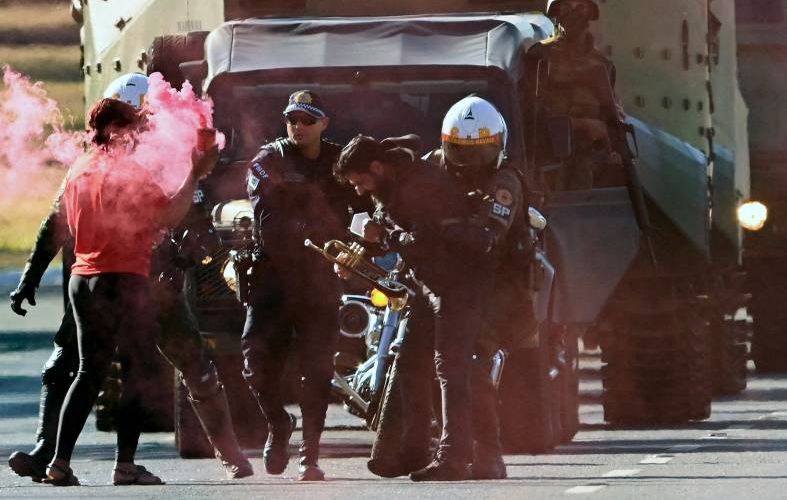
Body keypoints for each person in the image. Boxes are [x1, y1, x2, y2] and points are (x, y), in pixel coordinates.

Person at [7, 75, 252, 484]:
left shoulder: (165, 150)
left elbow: (196, 215)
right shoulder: (104, 165)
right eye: (138, 120)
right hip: (118, 275)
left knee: (194, 364)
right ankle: (47, 450)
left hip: (151, 278)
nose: (145, 128)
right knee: (67, 365)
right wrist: (31, 276)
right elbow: (56, 226)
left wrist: (191, 246)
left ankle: (227, 452)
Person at [38, 96, 218, 486]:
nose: (138, 135)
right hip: (123, 278)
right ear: (118, 131)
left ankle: (59, 462)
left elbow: (65, 227)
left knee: (89, 372)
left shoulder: (77, 170)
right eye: (134, 128)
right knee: (138, 373)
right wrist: (195, 173)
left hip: (82, 281)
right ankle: (125, 465)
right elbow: (169, 215)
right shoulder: (129, 172)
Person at [334, 134, 494, 481]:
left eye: (361, 181)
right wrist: (361, 252)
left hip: (459, 282)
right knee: (410, 364)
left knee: (450, 368)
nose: (359, 190)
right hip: (431, 284)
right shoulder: (392, 186)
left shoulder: (420, 185)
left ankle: (455, 457)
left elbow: (426, 239)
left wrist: (384, 239)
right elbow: (400, 236)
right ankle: (415, 450)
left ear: (377, 167)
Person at [242, 90, 357, 482]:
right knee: (255, 363)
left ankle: (311, 455)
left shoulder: (340, 160)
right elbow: (269, 223)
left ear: (324, 124)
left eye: (308, 120)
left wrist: (362, 235)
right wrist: (314, 230)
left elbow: (366, 199)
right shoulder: (268, 160)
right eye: (292, 119)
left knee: (317, 369)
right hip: (274, 277)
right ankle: (278, 423)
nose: (299, 127)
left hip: (320, 279)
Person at [527, 0, 626, 190]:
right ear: (556, 12)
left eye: (580, 7)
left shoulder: (603, 65)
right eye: (566, 7)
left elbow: (611, 116)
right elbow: (529, 117)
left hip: (589, 163)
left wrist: (614, 144)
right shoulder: (539, 57)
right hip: (547, 159)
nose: (573, 13)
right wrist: (579, 124)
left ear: (591, 14)